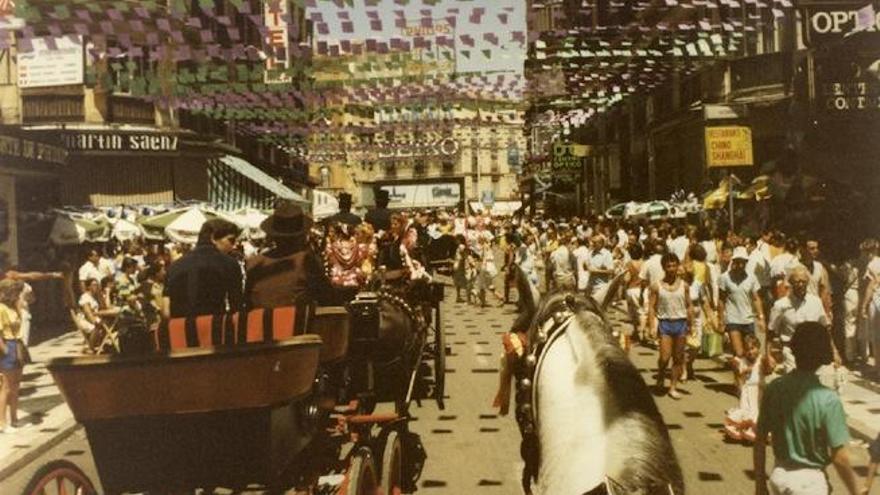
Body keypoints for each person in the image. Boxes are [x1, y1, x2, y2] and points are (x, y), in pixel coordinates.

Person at [754, 321, 863, 495]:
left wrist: (760, 482)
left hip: (779, 476)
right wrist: (856, 490)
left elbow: (760, 439)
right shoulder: (828, 399)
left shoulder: (774, 388)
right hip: (809, 483)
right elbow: (839, 456)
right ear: (822, 354)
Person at [247, 200, 335, 309]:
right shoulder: (305, 260)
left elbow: (248, 301)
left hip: (260, 323)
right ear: (301, 236)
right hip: (297, 323)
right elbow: (327, 296)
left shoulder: (253, 262)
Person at [162, 218, 243, 318]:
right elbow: (236, 308)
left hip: (180, 329)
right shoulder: (229, 264)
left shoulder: (175, 266)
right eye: (231, 240)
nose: (234, 246)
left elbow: (166, 311)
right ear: (213, 238)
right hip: (213, 327)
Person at [647, 253, 694, 399]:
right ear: (663, 267)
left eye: (674, 265)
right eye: (668, 266)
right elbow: (652, 307)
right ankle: (661, 374)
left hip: (680, 323)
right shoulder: (657, 286)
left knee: (678, 358)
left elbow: (688, 305)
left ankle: (673, 387)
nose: (672, 269)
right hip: (665, 323)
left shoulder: (684, 286)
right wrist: (651, 326)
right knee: (665, 357)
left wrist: (690, 324)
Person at [770, 266, 831, 373]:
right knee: (795, 386)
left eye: (803, 281)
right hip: (791, 353)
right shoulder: (780, 305)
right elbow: (771, 331)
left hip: (813, 352)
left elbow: (825, 327)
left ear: (808, 282)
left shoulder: (816, 302)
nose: (800, 285)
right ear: (791, 283)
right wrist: (769, 355)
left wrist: (834, 351)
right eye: (797, 281)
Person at [718, 247, 766, 359]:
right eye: (738, 261)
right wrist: (721, 320)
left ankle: (746, 374)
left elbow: (756, 298)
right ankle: (739, 374)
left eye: (743, 262)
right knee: (739, 353)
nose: (740, 265)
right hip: (733, 319)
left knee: (750, 353)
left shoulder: (752, 278)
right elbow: (721, 300)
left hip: (748, 319)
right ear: (733, 262)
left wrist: (761, 317)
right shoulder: (725, 278)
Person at [724, 334, 773, 443]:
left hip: (759, 391)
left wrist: (767, 358)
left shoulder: (761, 360)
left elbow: (768, 370)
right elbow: (740, 377)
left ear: (758, 348)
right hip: (747, 391)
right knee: (747, 412)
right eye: (747, 350)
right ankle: (744, 431)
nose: (750, 352)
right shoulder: (743, 361)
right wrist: (742, 369)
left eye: (753, 348)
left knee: (757, 411)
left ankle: (756, 431)